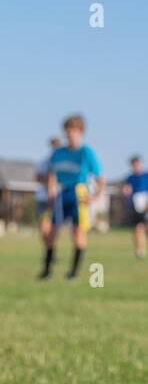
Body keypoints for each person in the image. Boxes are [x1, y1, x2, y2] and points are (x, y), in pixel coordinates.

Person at [40, 114, 105, 281]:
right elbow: (52, 175)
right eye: (67, 130)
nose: (69, 133)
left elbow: (100, 178)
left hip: (79, 194)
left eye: (73, 129)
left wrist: (95, 196)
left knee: (77, 234)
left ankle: (74, 273)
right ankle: (47, 271)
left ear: (80, 132)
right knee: (52, 233)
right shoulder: (58, 153)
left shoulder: (86, 153)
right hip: (62, 194)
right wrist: (51, 191)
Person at [121, 155, 148, 260]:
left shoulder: (146, 176)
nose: (135, 166)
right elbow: (127, 189)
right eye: (134, 164)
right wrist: (126, 191)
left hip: (146, 205)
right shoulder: (130, 178)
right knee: (137, 228)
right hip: (135, 206)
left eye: (137, 164)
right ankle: (140, 250)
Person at [34, 137, 60, 235]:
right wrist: (49, 180)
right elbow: (37, 177)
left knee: (55, 223)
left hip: (57, 196)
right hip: (43, 196)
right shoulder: (45, 161)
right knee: (44, 221)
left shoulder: (61, 163)